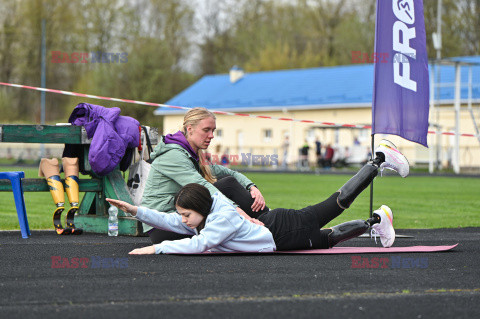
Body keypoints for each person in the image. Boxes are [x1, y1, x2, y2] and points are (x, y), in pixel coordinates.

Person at [108, 139, 409, 255]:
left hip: (283, 229)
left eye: (186, 215)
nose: (183, 220)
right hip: (280, 235)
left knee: (337, 204)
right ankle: (376, 221)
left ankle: (378, 159)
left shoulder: (220, 219)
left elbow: (198, 244)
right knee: (327, 239)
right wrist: (135, 210)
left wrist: (156, 250)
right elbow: (168, 219)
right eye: (184, 216)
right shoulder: (202, 217)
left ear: (199, 210)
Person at [141, 107, 269, 245]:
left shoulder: (189, 154)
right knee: (227, 186)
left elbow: (227, 172)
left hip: (181, 218)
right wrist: (241, 214)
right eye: (206, 130)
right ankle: (268, 223)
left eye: (213, 130)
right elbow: (205, 187)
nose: (212, 135)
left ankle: (267, 220)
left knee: (227, 182)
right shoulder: (173, 155)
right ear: (189, 129)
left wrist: (251, 186)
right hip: (162, 227)